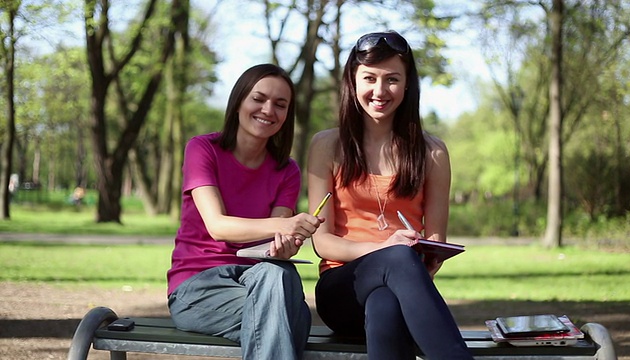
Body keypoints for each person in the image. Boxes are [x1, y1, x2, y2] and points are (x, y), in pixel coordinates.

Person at [306, 31, 474, 359]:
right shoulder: (327, 145)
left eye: (392, 80)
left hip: (399, 290)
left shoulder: (433, 153)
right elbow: (322, 243)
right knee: (397, 258)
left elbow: (435, 241)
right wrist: (386, 249)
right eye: (369, 78)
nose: (380, 91)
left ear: (408, 83)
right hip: (342, 287)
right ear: (352, 82)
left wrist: (423, 258)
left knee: (385, 304)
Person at [167, 63, 322, 360]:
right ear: (238, 101)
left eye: (280, 104)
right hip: (198, 287)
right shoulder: (203, 149)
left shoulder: (286, 170)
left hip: (260, 282)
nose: (268, 109)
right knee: (289, 317)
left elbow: (272, 243)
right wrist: (284, 225)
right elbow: (218, 227)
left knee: (279, 273)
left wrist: (285, 244)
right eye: (258, 98)